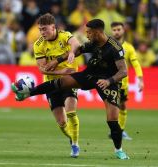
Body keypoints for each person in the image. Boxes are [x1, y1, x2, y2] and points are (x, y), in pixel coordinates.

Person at [12, 19, 130, 160]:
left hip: (108, 81)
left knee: (112, 119)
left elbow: (123, 71)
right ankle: (27, 93)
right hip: (90, 74)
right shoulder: (93, 42)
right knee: (61, 82)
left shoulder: (115, 48)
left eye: (89, 32)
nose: (86, 35)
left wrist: (109, 81)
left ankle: (119, 150)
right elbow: (78, 49)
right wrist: (57, 61)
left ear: (98, 32)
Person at [33, 13, 80, 158]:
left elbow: (76, 44)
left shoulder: (64, 35)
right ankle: (71, 138)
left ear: (53, 27)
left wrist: (71, 52)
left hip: (69, 80)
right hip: (52, 84)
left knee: (71, 111)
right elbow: (42, 68)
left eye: (45, 29)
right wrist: (62, 70)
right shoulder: (38, 44)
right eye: (40, 29)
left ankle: (75, 144)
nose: (42, 32)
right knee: (61, 122)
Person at [111, 22, 144, 140]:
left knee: (123, 106)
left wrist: (140, 79)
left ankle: (120, 131)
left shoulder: (129, 48)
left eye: (118, 29)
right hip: (110, 82)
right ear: (111, 31)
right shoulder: (108, 46)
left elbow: (135, 64)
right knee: (112, 108)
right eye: (114, 30)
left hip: (123, 84)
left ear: (123, 30)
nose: (116, 32)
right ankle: (115, 130)